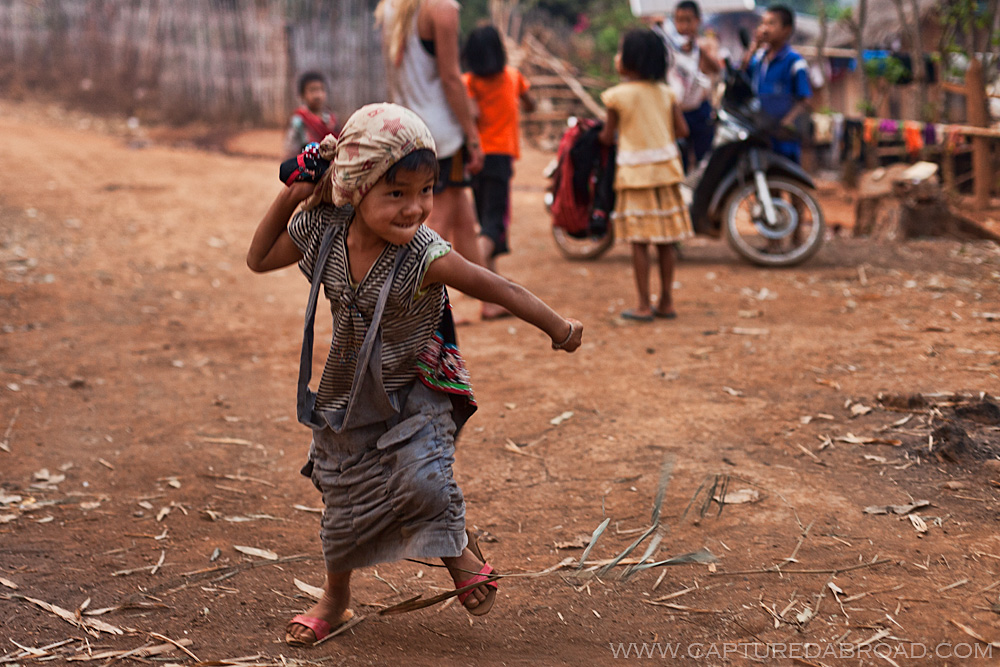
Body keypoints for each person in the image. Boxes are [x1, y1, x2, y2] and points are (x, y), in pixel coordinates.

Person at [246, 103, 583, 646]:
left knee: (422, 477)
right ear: (355, 189)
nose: (416, 209)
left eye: (426, 191)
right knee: (341, 495)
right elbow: (258, 258)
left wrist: (559, 327)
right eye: (397, 194)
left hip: (417, 380)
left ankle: (456, 555)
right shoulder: (323, 230)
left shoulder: (425, 255)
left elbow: (498, 288)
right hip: (347, 388)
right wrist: (292, 194)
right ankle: (336, 600)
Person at [375, 0, 487, 284]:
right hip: (442, 136)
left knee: (462, 219)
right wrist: (472, 137)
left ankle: (488, 298)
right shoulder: (442, 7)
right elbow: (451, 78)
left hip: (408, 127)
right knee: (432, 226)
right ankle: (404, 298)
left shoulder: (392, 6)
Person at [599, 29, 693, 322]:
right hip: (666, 171)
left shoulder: (616, 96)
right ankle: (666, 301)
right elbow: (682, 131)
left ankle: (642, 304)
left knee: (639, 241)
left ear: (630, 60)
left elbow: (607, 136)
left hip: (634, 175)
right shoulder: (667, 93)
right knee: (666, 240)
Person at [461, 24, 535, 320]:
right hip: (500, 156)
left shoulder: (468, 82)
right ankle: (476, 275)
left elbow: (471, 114)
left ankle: (491, 298)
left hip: (476, 156)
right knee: (494, 225)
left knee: (485, 218)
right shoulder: (513, 77)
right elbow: (530, 104)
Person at [647, 1, 722, 171]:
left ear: (698, 21)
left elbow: (716, 70)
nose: (684, 25)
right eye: (679, 20)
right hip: (676, 111)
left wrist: (699, 49)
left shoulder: (703, 47)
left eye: (688, 20)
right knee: (678, 160)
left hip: (700, 111)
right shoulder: (667, 47)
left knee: (704, 161)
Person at [742, 5, 812, 163]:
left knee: (786, 178)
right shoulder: (758, 58)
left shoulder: (795, 62)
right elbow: (741, 73)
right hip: (761, 134)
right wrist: (753, 47)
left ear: (787, 30)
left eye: (771, 24)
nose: (765, 29)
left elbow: (805, 100)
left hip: (784, 137)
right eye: (763, 23)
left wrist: (786, 122)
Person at [284, 71, 341, 159]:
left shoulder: (332, 119)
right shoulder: (299, 120)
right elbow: (290, 152)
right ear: (302, 95)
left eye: (321, 89)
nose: (317, 95)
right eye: (312, 90)